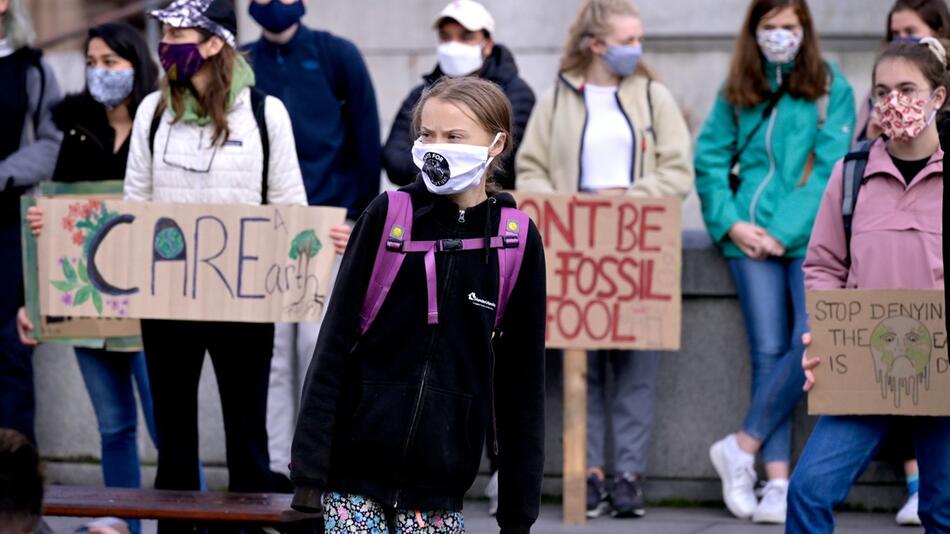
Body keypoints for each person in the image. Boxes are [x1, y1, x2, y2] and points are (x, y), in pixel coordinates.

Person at [290, 77, 546, 534]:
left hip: (441, 489)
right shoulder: (388, 215)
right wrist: (309, 477)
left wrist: (518, 510)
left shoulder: (517, 240)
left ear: (496, 143)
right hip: (353, 479)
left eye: (454, 137)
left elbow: (520, 384)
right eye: (427, 135)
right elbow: (331, 348)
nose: (436, 148)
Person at [122, 0, 307, 519]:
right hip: (167, 303)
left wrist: (316, 244)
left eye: (179, 32)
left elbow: (290, 206)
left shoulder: (267, 114)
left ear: (214, 42)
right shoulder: (152, 112)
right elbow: (135, 203)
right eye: (164, 32)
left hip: (244, 306)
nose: (166, 44)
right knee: (175, 449)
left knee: (249, 447)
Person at [516, 0, 692, 519]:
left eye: (638, 38)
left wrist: (630, 202)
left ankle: (629, 476)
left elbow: (677, 170)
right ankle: (587, 474)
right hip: (578, 247)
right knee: (580, 366)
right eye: (627, 39)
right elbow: (531, 170)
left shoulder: (653, 97)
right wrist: (566, 210)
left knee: (637, 365)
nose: (636, 48)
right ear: (597, 44)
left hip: (636, 244)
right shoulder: (556, 100)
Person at [694, 0, 855, 524]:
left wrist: (780, 232)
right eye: (770, 27)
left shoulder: (834, 88)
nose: (780, 36)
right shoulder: (738, 87)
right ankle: (778, 482)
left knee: (807, 343)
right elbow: (710, 158)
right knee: (767, 349)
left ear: (805, 30)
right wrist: (733, 224)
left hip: (810, 239)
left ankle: (742, 446)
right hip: (745, 236)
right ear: (754, 32)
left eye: (789, 26)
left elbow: (831, 169)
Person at [792, 37, 950, 534]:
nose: (894, 102)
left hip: (944, 373)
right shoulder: (852, 173)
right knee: (808, 491)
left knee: (943, 511)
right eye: (883, 91)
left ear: (939, 97)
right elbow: (823, 264)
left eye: (908, 88)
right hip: (865, 363)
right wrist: (829, 330)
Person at [13, 22, 159, 534]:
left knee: (168, 436)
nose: (100, 72)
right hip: (88, 306)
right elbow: (59, 209)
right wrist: (43, 220)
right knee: (114, 429)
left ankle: (192, 523)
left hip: (149, 307)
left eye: (112, 63)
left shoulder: (161, 123)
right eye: (92, 62)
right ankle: (125, 528)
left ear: (136, 64)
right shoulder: (73, 126)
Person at [243, 0, 378, 485]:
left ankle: (315, 465)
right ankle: (277, 467)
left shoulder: (337, 55)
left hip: (329, 230)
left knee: (317, 351)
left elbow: (367, 142)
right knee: (271, 357)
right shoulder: (244, 64)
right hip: (264, 235)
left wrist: (360, 222)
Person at [383, 0, 535, 191]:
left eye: (466, 37)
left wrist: (429, 163)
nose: (454, 45)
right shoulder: (420, 94)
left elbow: (503, 163)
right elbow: (394, 160)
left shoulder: (515, 93)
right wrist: (453, 166)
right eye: (446, 37)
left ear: (488, 44)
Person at [0, 0, 62, 446]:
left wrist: (3, 172)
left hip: (6, 229)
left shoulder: (30, 67)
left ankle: (15, 505)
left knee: (9, 358)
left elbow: (53, 140)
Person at [857, 0, 950, 143]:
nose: (902, 40)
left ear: (938, 32)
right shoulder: (879, 85)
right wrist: (872, 139)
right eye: (895, 33)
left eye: (910, 31)